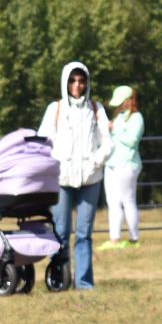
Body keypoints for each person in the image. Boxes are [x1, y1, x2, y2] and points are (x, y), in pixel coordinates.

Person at [39, 62, 112, 289]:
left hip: (90, 179)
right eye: (72, 80)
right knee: (60, 231)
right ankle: (59, 279)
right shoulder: (56, 109)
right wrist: (55, 163)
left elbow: (107, 143)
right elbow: (44, 140)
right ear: (65, 82)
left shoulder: (96, 108)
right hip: (61, 179)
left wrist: (96, 161)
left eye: (81, 80)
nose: (77, 85)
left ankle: (84, 282)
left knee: (83, 233)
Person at [99, 84, 144, 250]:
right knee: (113, 202)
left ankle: (134, 238)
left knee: (128, 200)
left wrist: (115, 129)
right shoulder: (120, 117)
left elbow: (132, 140)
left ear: (129, 100)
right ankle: (114, 239)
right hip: (112, 164)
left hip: (127, 164)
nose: (119, 105)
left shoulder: (136, 118)